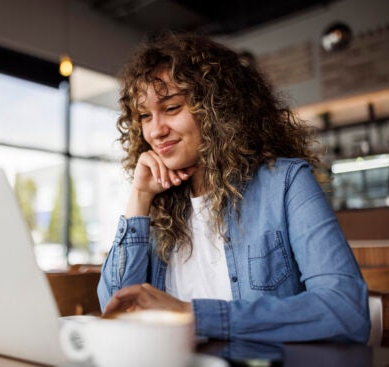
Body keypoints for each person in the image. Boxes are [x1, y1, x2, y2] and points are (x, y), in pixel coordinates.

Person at [97, 33, 370, 343]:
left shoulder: (285, 183)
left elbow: (346, 310)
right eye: (145, 116)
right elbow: (114, 308)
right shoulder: (159, 203)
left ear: (218, 109)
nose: (156, 130)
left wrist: (195, 317)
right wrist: (141, 197)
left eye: (172, 108)